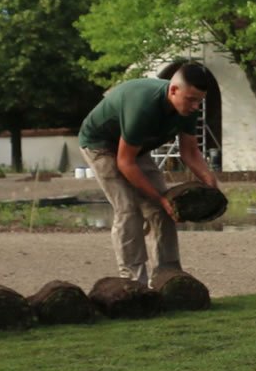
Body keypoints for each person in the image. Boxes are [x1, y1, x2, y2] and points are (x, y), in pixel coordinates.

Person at [78, 62, 219, 284]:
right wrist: (159, 197)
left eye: (199, 100)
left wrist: (209, 180)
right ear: (173, 90)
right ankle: (134, 280)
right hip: (101, 145)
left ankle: (169, 276)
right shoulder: (143, 107)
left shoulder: (188, 108)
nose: (195, 106)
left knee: (165, 210)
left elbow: (190, 152)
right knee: (128, 208)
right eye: (191, 100)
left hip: (135, 147)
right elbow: (125, 163)